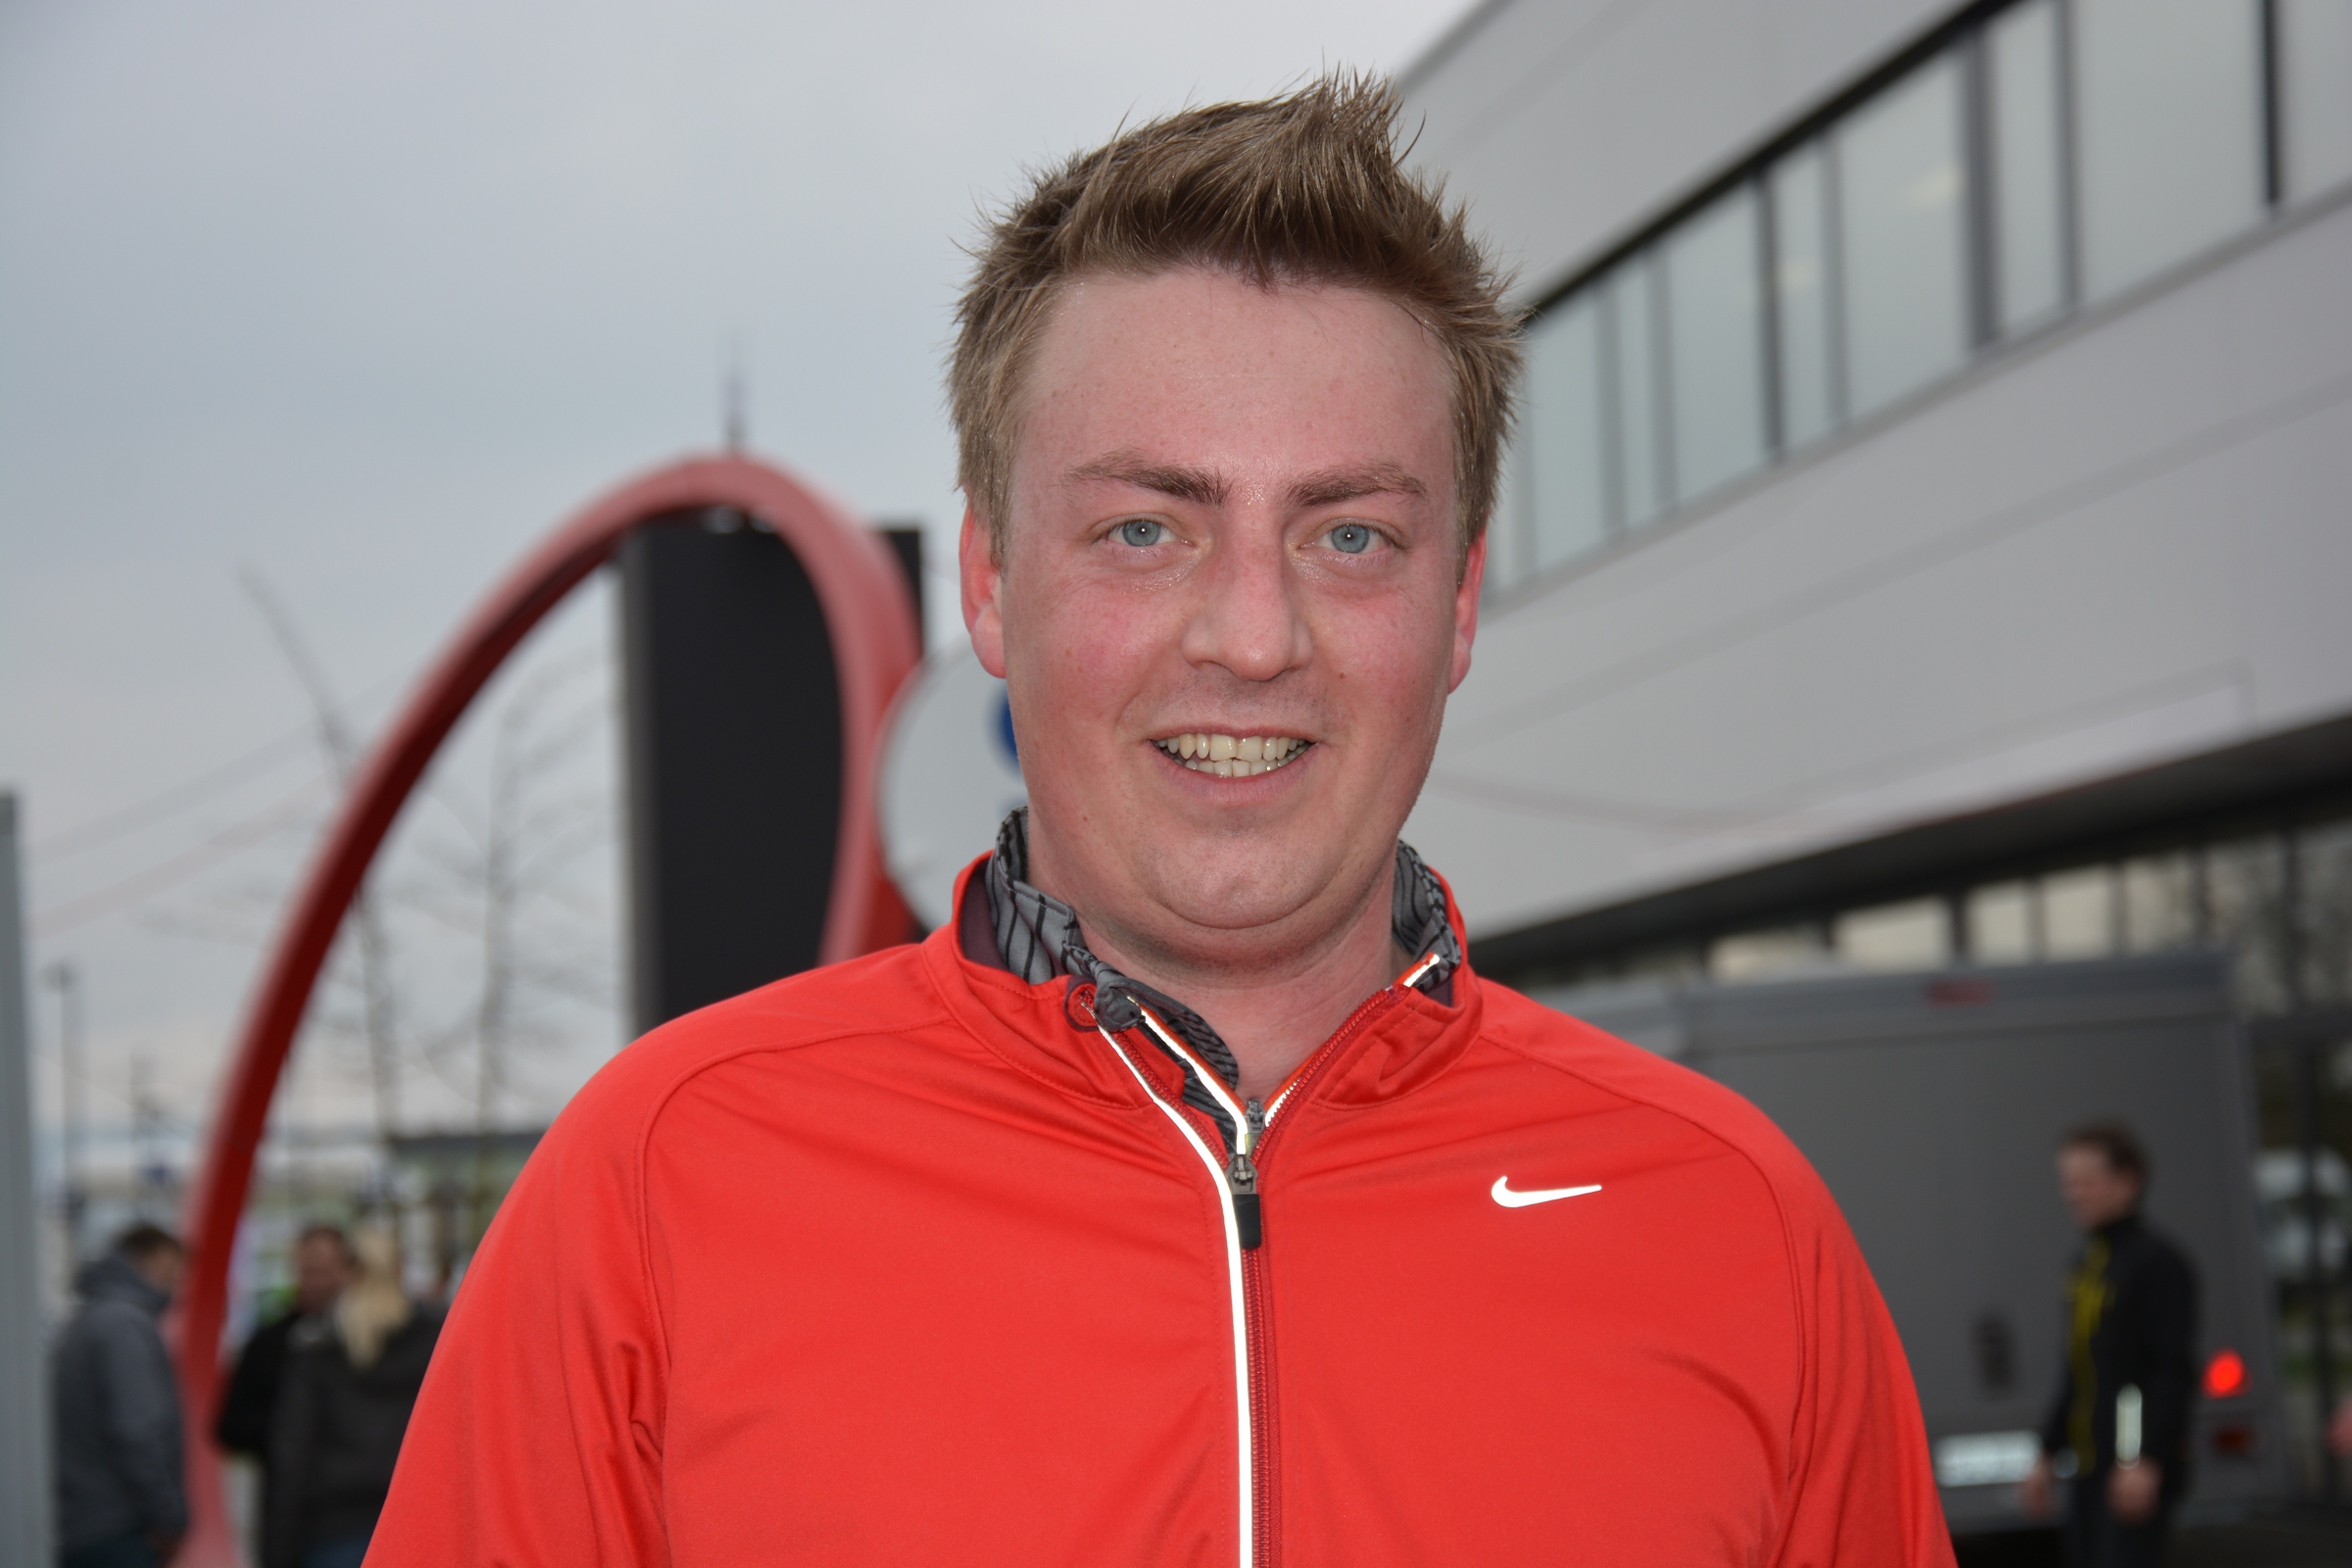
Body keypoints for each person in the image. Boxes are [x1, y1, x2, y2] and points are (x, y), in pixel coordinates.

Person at [371, 74, 1951, 1564]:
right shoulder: (659, 1191)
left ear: (1460, 603)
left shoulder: (1734, 1224)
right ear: (992, 582)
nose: (1253, 637)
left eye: (1349, 535)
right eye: (1146, 528)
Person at [2022, 1123, 2198, 1566]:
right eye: (2067, 1183)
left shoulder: (2157, 1263)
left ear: (2127, 1181)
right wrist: (2046, 1453)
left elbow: (2171, 1370)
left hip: (2130, 1471)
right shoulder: (2087, 1265)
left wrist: (2145, 1458)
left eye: (2087, 1182)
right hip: (2088, 1468)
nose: (2073, 1194)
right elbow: (2078, 1370)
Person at [264, 1226, 440, 1568]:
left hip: (334, 1526)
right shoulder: (435, 1342)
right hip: (417, 1524)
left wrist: (278, 1549)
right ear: (400, 1269)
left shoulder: (316, 1347)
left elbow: (292, 1453)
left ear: (347, 1272)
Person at [50, 1223, 188, 1568]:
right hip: (117, 1529)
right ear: (146, 1260)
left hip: (84, 1522)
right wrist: (168, 1517)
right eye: (172, 1267)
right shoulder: (124, 1324)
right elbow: (138, 1432)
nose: (176, 1281)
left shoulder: (91, 1317)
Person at [214, 1225, 357, 1547]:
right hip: (290, 1508)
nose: (314, 1282)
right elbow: (231, 1427)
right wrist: (287, 1428)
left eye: (324, 1271)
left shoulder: (365, 1342)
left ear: (345, 1271)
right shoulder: (269, 1342)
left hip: (352, 1511)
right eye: (307, 1271)